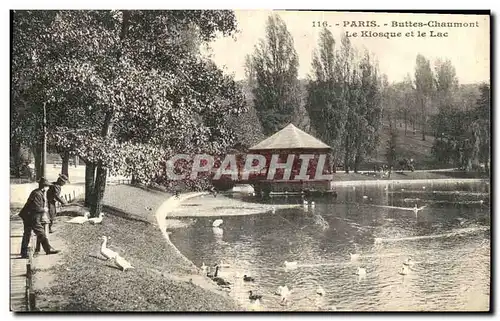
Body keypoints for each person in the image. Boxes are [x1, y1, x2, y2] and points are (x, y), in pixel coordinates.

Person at [18, 178, 60, 258]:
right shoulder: (37, 194)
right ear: (44, 186)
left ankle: (24, 253)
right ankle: (48, 249)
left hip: (29, 215)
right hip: (31, 216)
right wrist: (43, 209)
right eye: (47, 186)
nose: (48, 188)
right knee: (40, 232)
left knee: (27, 234)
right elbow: (36, 207)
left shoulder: (39, 192)